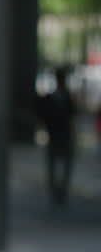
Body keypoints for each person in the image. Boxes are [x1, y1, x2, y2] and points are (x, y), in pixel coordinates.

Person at [38, 66, 77, 206]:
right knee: (58, 165)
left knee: (58, 165)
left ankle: (59, 191)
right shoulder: (57, 98)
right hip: (57, 136)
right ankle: (57, 191)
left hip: (60, 136)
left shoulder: (65, 98)